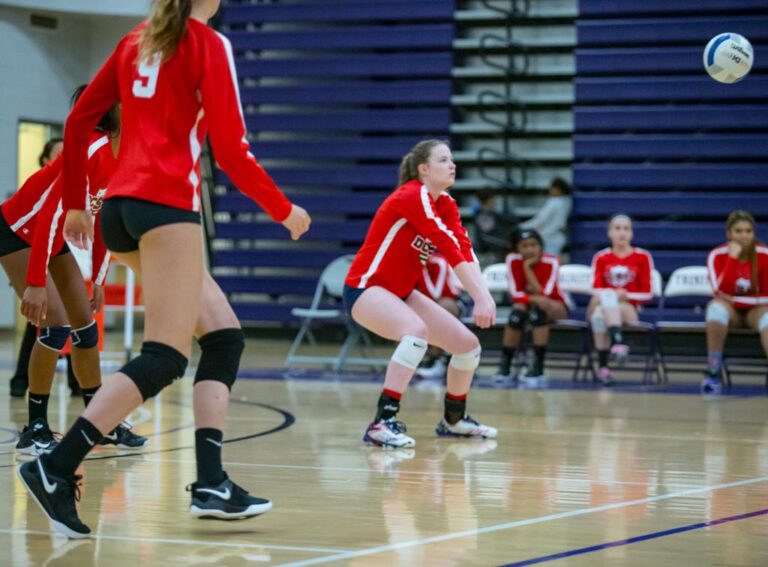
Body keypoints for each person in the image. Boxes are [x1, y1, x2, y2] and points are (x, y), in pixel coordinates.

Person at [18, 0, 310, 539]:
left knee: (223, 338)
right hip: (167, 206)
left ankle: (212, 483)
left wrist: (82, 201)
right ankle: (56, 466)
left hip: (122, 210)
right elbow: (231, 149)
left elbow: (81, 117)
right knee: (166, 356)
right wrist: (283, 209)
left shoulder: (136, 39)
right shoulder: (207, 44)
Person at [2, 97, 147, 458]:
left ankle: (100, 423)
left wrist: (97, 278)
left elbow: (101, 221)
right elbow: (51, 212)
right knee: (55, 328)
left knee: (86, 329)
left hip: (52, 237)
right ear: (116, 112)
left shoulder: (124, 157)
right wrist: (35, 282)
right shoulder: (89, 150)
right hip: (19, 232)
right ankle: (34, 428)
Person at [344, 139, 498, 449]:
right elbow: (445, 244)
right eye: (443, 160)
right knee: (415, 332)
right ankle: (381, 422)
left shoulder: (446, 203)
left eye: (452, 159)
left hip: (400, 293)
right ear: (423, 169)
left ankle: (454, 419)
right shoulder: (412, 196)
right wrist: (479, 298)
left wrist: (485, 294)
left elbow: (463, 249)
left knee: (467, 346)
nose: (452, 165)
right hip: (365, 289)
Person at [9, 138, 63, 398]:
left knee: (72, 322)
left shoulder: (80, 180)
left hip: (53, 252)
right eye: (59, 152)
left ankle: (80, 386)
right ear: (46, 159)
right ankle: (21, 380)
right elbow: (31, 227)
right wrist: (33, 278)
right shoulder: (42, 184)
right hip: (33, 252)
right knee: (41, 324)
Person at [704, 211, 768, 395]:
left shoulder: (764, 254)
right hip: (730, 311)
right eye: (738, 231)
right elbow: (720, 290)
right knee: (715, 308)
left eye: (748, 231)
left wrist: (736, 299)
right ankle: (713, 371)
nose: (744, 236)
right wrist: (732, 259)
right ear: (729, 233)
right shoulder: (717, 255)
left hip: (757, 310)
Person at [588, 214, 654, 386]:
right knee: (599, 315)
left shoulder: (642, 257)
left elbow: (647, 293)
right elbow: (595, 289)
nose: (622, 233)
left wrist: (625, 295)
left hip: (629, 309)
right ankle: (615, 349)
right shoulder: (601, 257)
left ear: (632, 233)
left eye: (626, 228)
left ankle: (604, 365)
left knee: (605, 304)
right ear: (609, 233)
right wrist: (613, 294)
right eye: (617, 228)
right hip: (605, 307)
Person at [495, 228, 568, 382]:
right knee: (516, 315)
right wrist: (530, 298)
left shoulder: (552, 261)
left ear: (541, 246)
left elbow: (545, 294)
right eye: (525, 245)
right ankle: (505, 365)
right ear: (517, 249)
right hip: (528, 304)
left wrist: (527, 268)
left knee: (539, 311)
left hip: (555, 306)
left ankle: (537, 367)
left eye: (533, 245)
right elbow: (515, 293)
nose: (529, 249)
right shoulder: (512, 260)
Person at [414, 251, 463, 379]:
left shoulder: (439, 261)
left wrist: (421, 269)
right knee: (400, 307)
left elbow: (435, 294)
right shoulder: (409, 263)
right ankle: (408, 360)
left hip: (453, 303)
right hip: (427, 303)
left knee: (441, 308)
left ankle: (435, 359)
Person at [519, 177, 572, 257]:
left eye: (552, 188)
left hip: (550, 237)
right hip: (557, 235)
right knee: (553, 261)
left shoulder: (554, 202)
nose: (550, 190)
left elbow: (541, 220)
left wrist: (523, 226)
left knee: (549, 261)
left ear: (558, 189)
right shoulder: (567, 201)